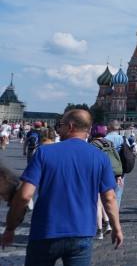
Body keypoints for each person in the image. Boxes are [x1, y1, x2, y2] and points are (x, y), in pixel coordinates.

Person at [1, 109, 122, 264]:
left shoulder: (44, 153)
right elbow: (109, 198)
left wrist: (10, 227)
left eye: (61, 125)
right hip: (81, 232)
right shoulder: (100, 157)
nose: (59, 129)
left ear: (70, 126)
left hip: (46, 230)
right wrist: (116, 227)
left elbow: (24, 195)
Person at [90, 125, 121, 240]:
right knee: (107, 198)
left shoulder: (93, 144)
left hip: (98, 174)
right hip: (110, 173)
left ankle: (99, 230)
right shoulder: (109, 143)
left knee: (98, 202)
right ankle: (107, 223)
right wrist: (118, 174)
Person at [105, 120, 127, 208]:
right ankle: (115, 214)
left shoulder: (104, 139)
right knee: (118, 193)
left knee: (105, 192)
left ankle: (105, 216)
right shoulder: (122, 139)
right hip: (120, 170)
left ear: (109, 127)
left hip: (106, 169)